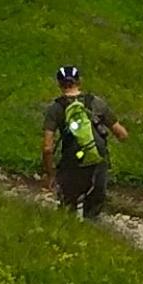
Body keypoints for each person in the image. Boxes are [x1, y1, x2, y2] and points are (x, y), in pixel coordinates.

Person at [39, 64, 116, 218]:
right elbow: (122, 134)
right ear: (79, 82)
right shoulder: (96, 102)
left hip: (71, 161)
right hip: (96, 160)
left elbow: (47, 148)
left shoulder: (55, 109)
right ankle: (92, 233)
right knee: (93, 211)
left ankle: (69, 237)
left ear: (59, 84)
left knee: (68, 208)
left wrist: (50, 174)